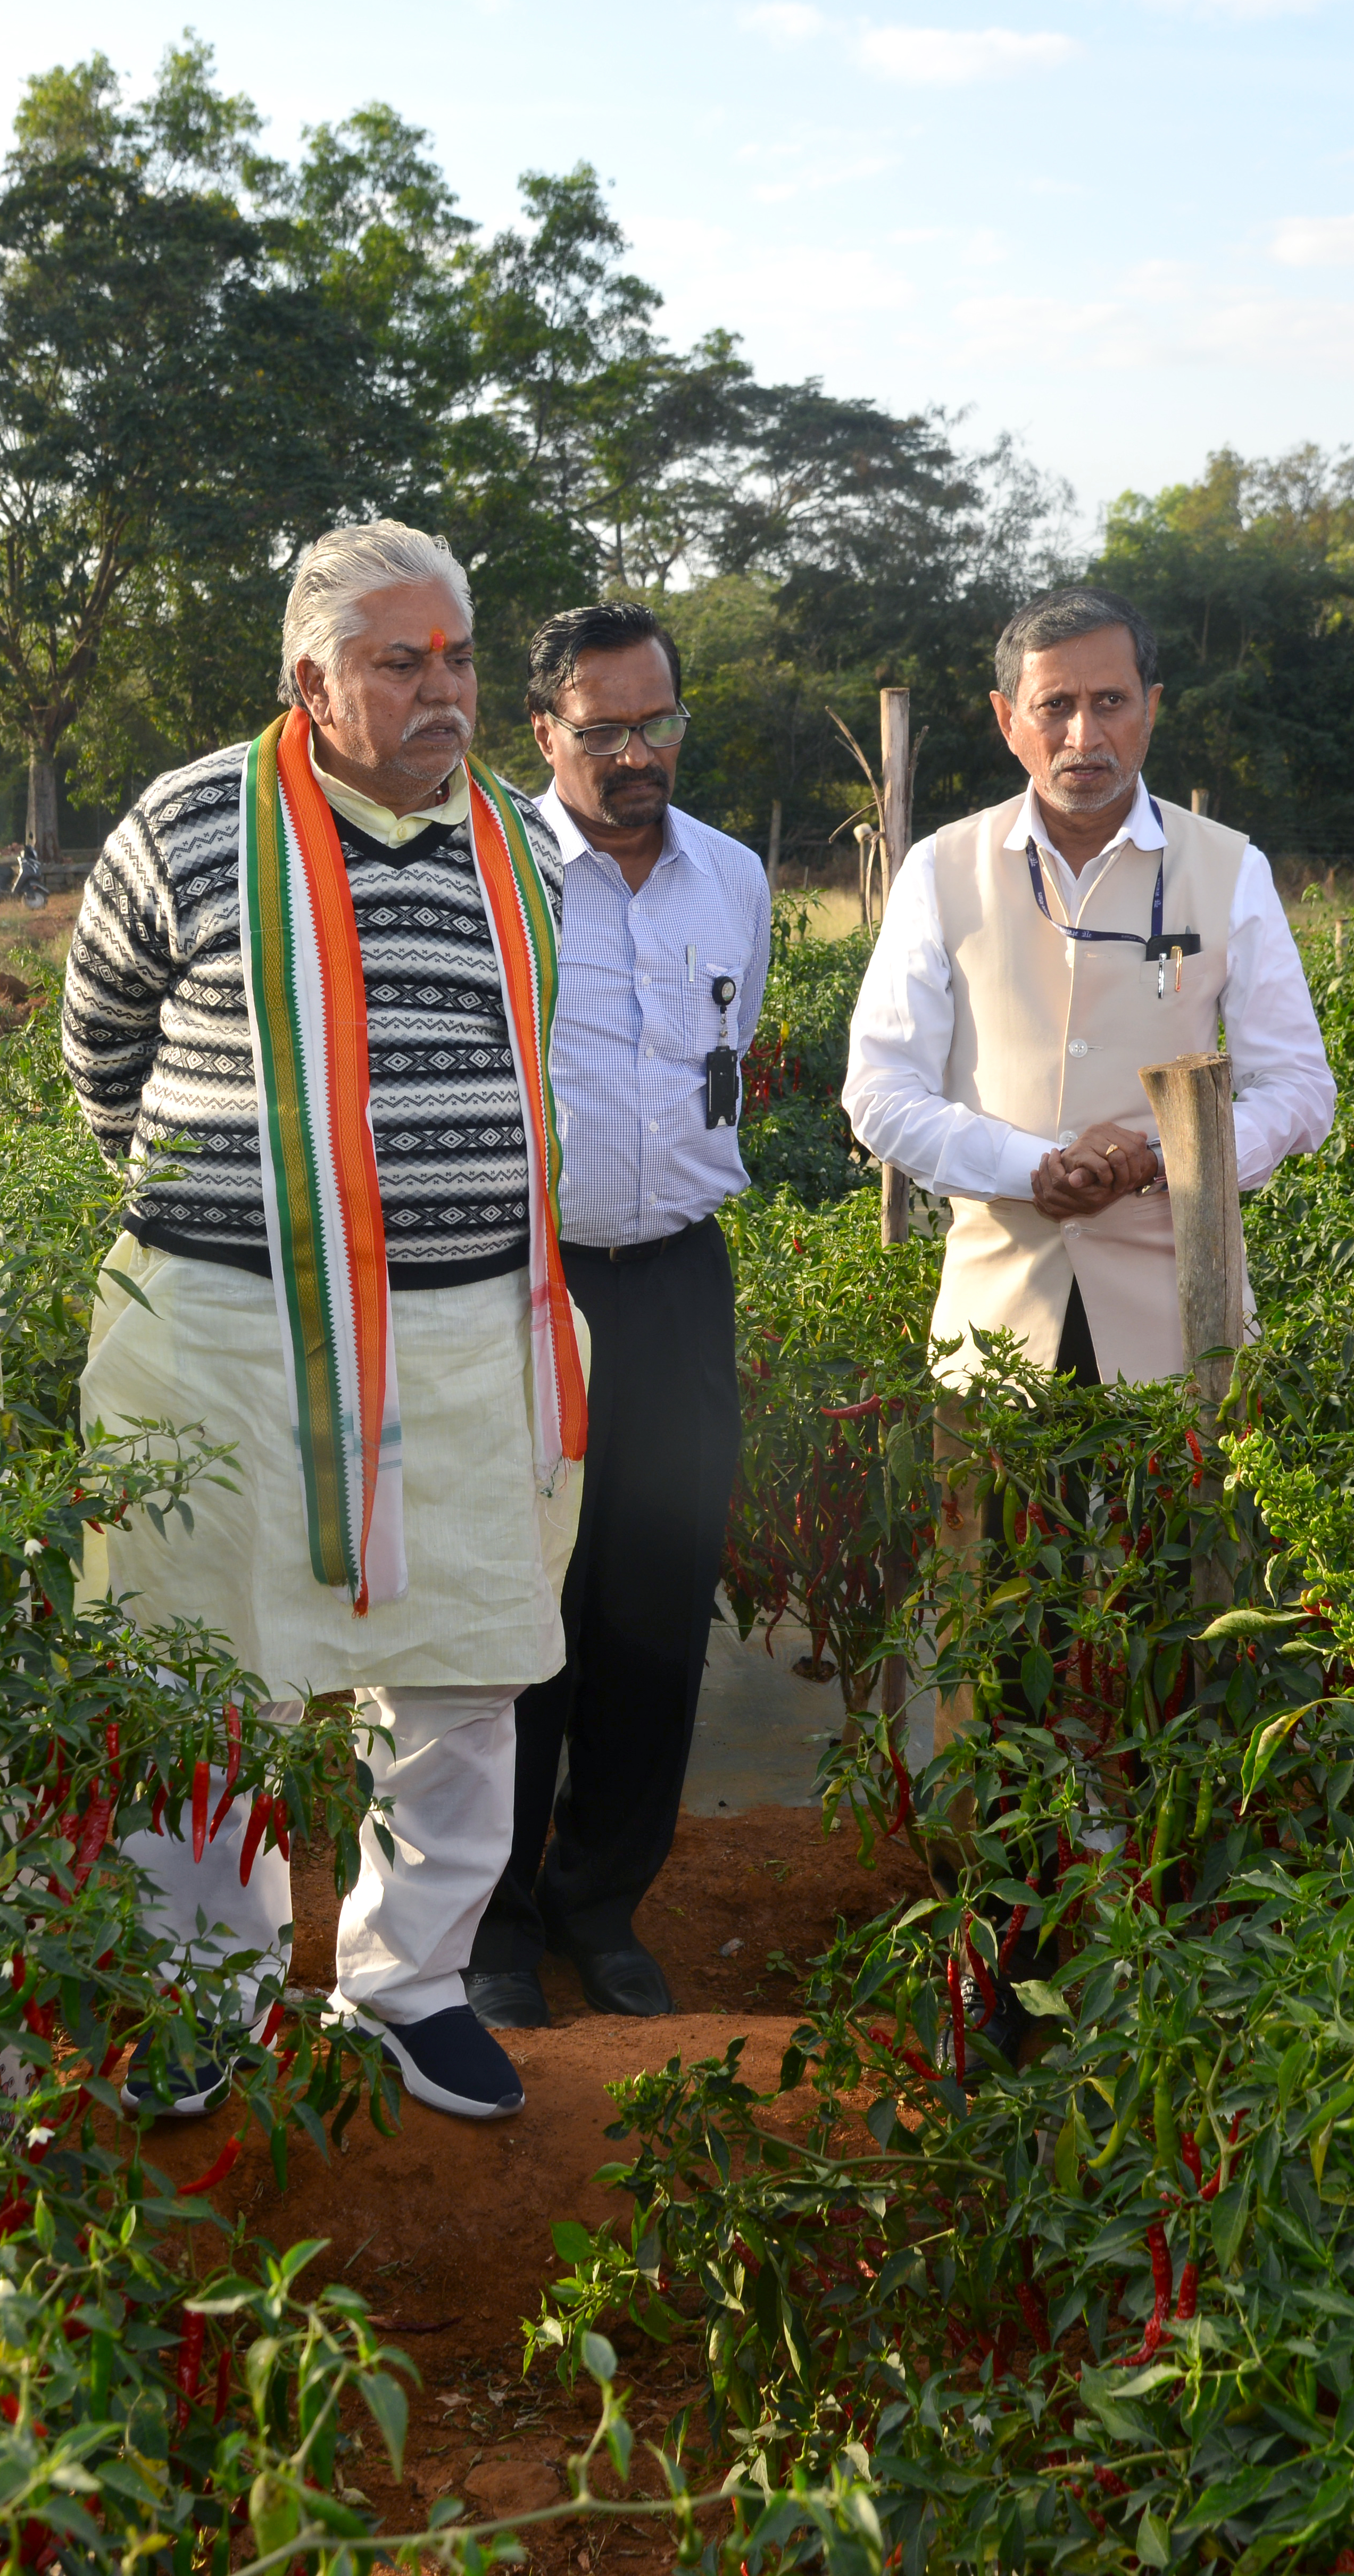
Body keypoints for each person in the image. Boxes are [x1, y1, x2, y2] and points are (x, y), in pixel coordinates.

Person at [63, 519, 584, 2124]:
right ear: (309, 680)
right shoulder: (190, 823)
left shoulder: (519, 838)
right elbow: (101, 1051)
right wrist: (258, 1205)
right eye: (398, 662)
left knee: (464, 1670)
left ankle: (409, 1981)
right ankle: (195, 1985)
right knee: (205, 1666)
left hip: (472, 1331)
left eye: (458, 659)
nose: (442, 693)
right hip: (227, 1336)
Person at [464, 605, 771, 2034]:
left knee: (655, 1604)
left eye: (659, 724)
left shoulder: (732, 876)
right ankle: (492, 1921)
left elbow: (726, 1049)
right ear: (543, 732)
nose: (638, 753)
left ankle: (602, 1902)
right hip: (524, 1283)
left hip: (677, 1280)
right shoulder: (488, 876)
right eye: (604, 731)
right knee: (519, 1606)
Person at [841, 584, 1334, 1386]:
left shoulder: (1230, 867)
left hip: (1185, 1322)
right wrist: (1030, 1167)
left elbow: (1300, 1088)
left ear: (1151, 708)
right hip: (993, 1334)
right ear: (1008, 720)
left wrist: (1163, 1160)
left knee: (1178, 1473)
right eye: (1055, 706)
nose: (1085, 735)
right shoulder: (939, 868)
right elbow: (880, 1092)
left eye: (1111, 701)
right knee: (993, 1474)